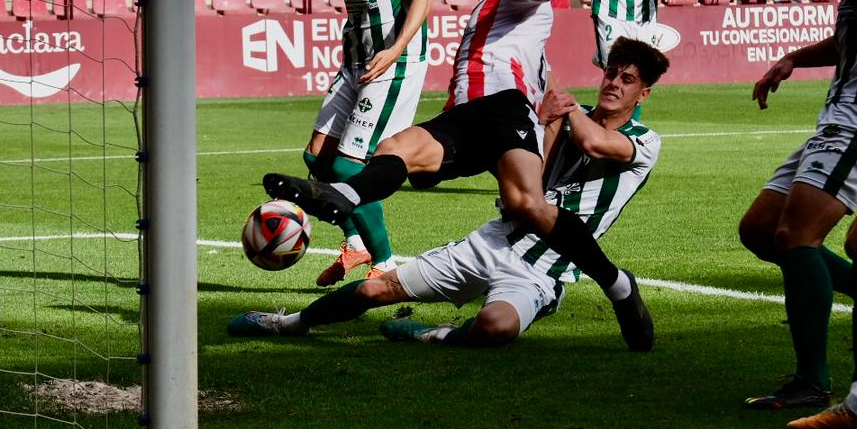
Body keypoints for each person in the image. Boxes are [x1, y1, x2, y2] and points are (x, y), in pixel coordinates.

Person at [263, 0, 656, 352]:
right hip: (469, 116)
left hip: (501, 112)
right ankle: (342, 198)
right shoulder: (496, 11)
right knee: (397, 147)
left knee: (524, 202)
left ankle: (617, 285)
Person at [232, 39, 669, 348]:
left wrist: (563, 109)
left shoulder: (645, 141)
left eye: (627, 79)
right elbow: (537, 175)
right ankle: (288, 323)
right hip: (498, 239)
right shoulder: (569, 117)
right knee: (372, 292)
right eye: (611, 72)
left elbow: (597, 145)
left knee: (494, 329)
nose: (614, 83)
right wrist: (551, 121)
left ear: (643, 93)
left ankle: (432, 333)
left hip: (542, 271)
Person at [738, 0, 857, 422]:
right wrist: (794, 57)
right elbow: (851, 39)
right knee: (762, 229)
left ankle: (812, 381)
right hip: (839, 110)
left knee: (797, 234)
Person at [293, 0, 434, 285]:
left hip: (394, 59)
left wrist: (394, 49)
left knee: (351, 167)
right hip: (355, 58)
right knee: (317, 157)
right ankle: (355, 244)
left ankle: (387, 265)